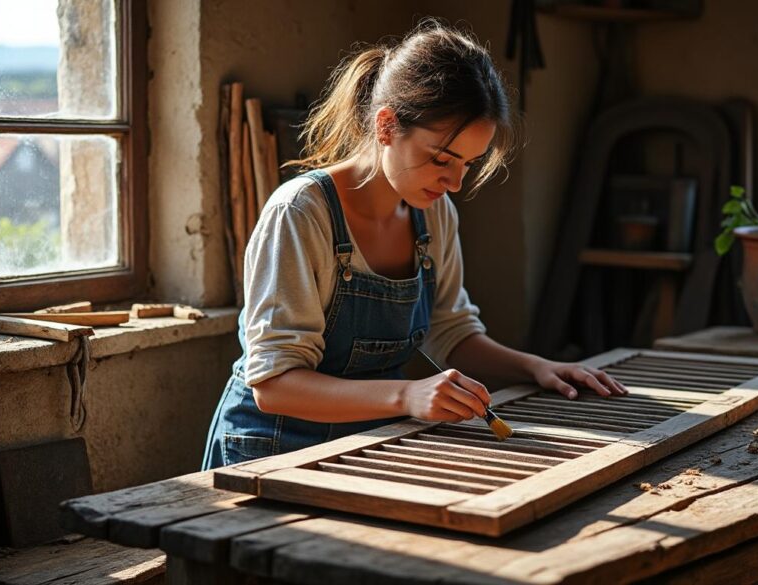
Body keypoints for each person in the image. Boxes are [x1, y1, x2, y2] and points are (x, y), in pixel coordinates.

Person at [202, 21, 626, 470]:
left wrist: (536, 368)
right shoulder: (301, 214)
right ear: (386, 126)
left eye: (468, 163)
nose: (455, 182)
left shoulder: (434, 213)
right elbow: (274, 385)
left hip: (367, 445)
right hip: (269, 452)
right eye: (441, 159)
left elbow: (450, 331)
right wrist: (408, 394)